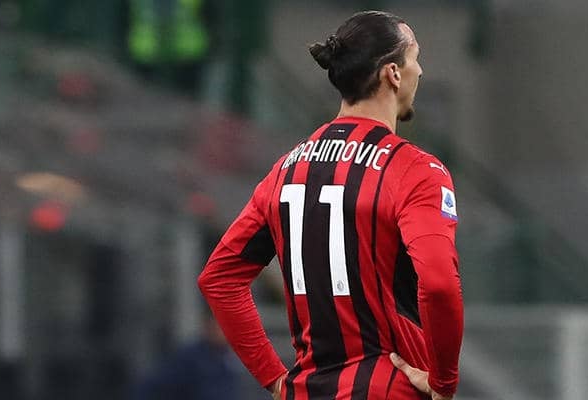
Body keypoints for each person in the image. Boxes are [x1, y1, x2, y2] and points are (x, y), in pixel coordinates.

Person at [198, 10, 463, 400]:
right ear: (392, 73)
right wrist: (443, 382)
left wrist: (274, 378)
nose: (420, 72)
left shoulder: (287, 170)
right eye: (415, 58)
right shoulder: (414, 170)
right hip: (387, 388)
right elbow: (439, 285)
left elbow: (219, 278)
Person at [132, 316, 254, 400]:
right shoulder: (190, 358)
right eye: (222, 326)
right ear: (209, 327)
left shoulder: (230, 358)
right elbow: (153, 385)